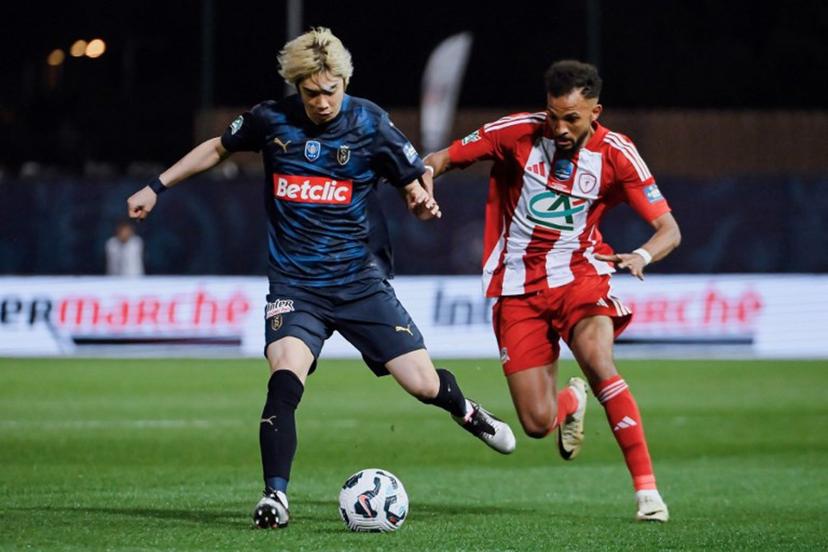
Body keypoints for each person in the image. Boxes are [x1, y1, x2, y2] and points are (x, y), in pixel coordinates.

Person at [126, 27, 515, 529]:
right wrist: (157, 186)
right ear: (297, 86)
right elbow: (218, 148)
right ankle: (275, 496)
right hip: (294, 286)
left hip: (359, 282)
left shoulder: (370, 122)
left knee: (421, 385)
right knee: (284, 379)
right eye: (312, 93)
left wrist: (420, 199)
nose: (323, 102)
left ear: (344, 83)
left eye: (331, 91)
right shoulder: (271, 119)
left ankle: (467, 410)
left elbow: (414, 175)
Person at [423, 60, 681, 522]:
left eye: (572, 119)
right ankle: (568, 401)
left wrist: (642, 255)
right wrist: (423, 181)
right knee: (538, 425)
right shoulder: (516, 132)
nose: (560, 128)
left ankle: (647, 493)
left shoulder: (617, 153)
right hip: (517, 289)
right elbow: (442, 157)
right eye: (553, 116)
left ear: (595, 111)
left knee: (599, 362)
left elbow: (668, 229)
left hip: (581, 275)